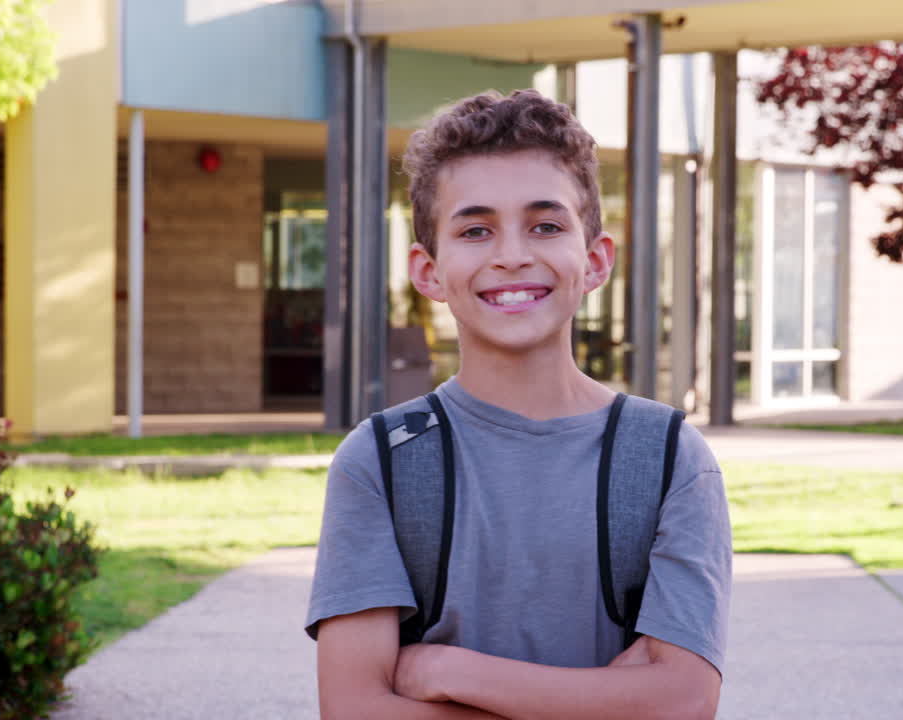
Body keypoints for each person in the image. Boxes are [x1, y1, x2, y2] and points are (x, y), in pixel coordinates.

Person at [304, 89, 732, 720]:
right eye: (476, 230)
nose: (511, 255)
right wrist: (609, 701)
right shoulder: (382, 462)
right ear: (429, 271)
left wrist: (449, 671)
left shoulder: (668, 458)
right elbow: (355, 709)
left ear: (594, 261)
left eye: (546, 225)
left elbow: (684, 702)